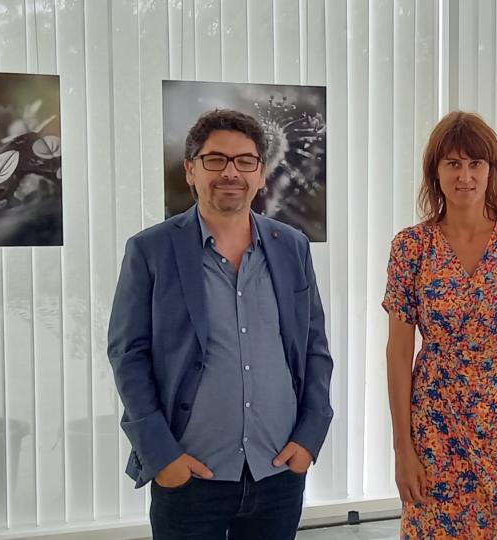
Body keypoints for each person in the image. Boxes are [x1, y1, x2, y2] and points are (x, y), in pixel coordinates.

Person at [107, 109, 334, 539]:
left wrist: (309, 438)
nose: (231, 172)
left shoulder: (292, 248)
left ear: (261, 174)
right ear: (191, 170)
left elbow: (314, 348)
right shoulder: (150, 250)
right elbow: (127, 355)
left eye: (245, 161)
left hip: (278, 472)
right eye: (216, 160)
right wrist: (162, 457)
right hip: (190, 477)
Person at [383, 111, 497, 538]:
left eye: (476, 163)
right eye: (453, 164)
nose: (465, 175)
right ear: (435, 172)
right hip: (435, 429)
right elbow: (399, 351)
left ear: (491, 171)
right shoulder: (412, 246)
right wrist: (403, 448)